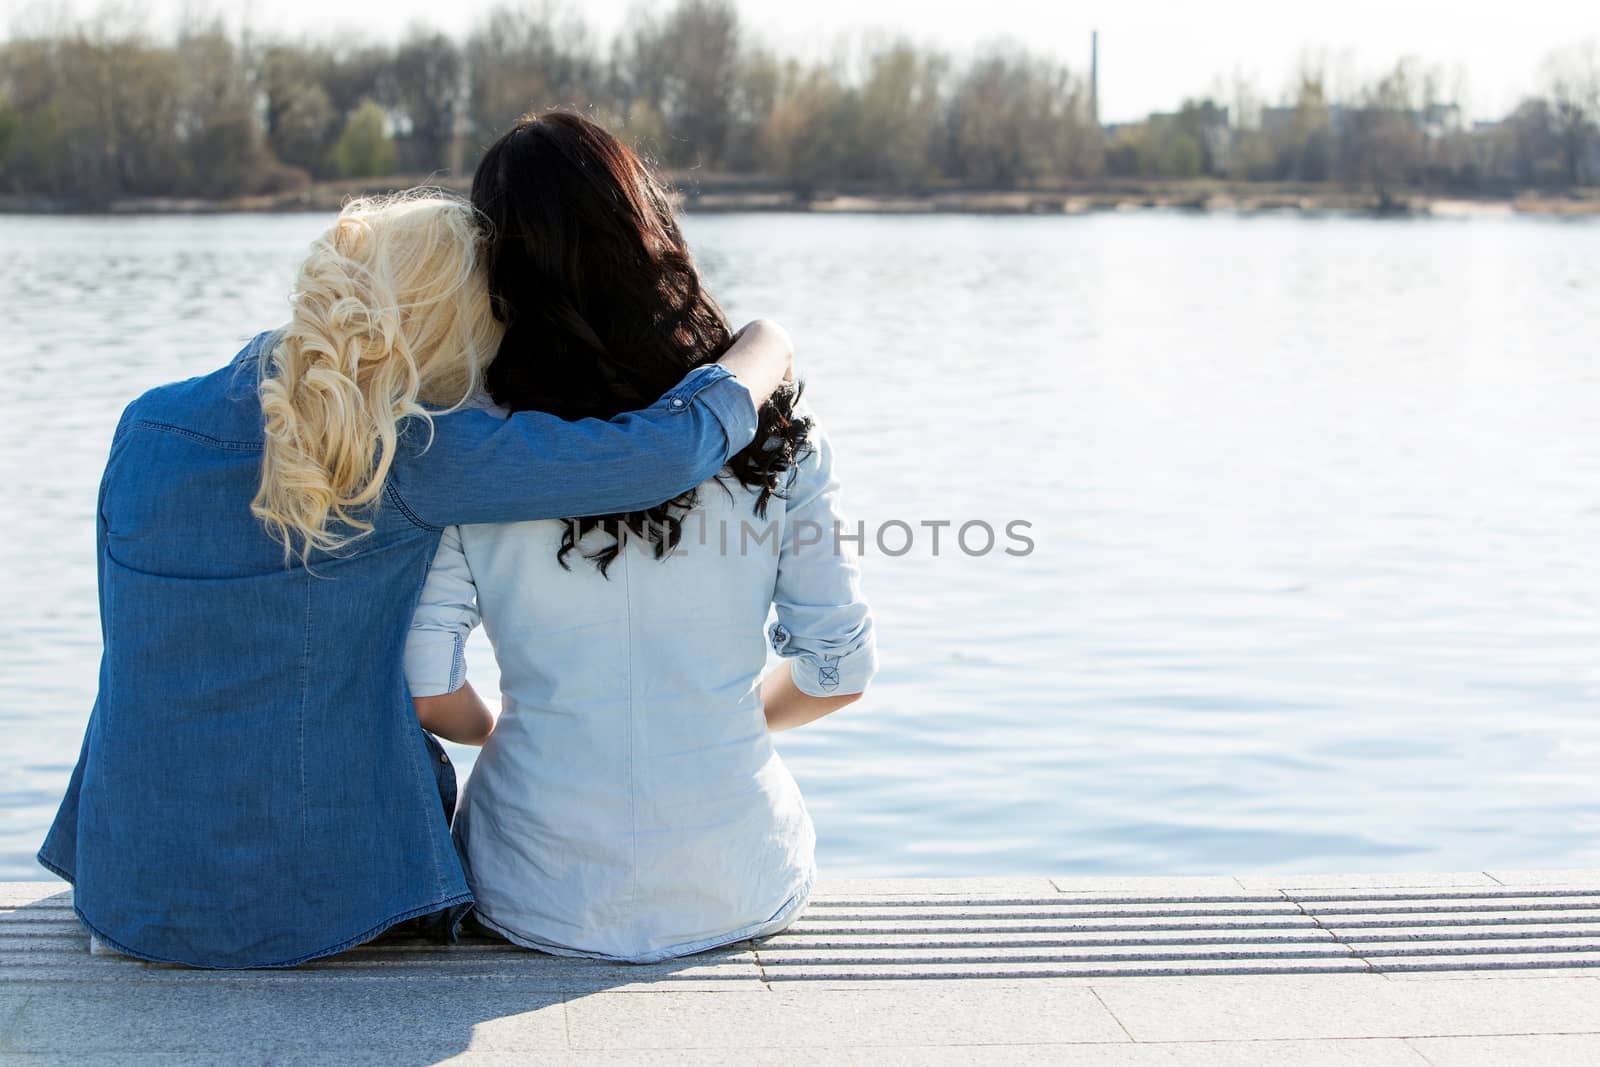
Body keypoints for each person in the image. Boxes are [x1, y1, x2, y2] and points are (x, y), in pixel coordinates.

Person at [37, 189, 795, 969]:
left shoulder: (147, 425)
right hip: (321, 898)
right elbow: (660, 458)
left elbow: (124, 642)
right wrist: (763, 346)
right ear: (451, 328)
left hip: (128, 884)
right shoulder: (411, 449)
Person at [404, 113, 877, 964]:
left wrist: (523, 725)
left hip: (533, 886)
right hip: (741, 874)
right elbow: (840, 672)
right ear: (652, 226)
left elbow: (429, 692)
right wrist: (719, 719)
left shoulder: (472, 448)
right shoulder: (772, 433)